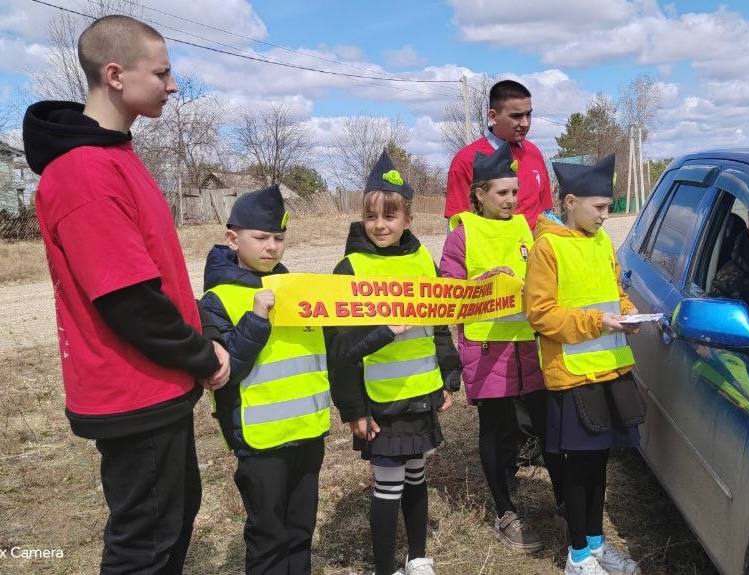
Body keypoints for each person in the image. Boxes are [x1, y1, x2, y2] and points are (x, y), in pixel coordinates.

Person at [21, 15, 229, 574]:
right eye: (161, 73)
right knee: (145, 547)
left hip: (158, 381)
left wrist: (201, 336)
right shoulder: (84, 173)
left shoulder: (117, 156)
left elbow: (158, 277)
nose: (173, 85)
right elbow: (129, 301)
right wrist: (203, 356)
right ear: (115, 74)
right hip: (133, 391)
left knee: (173, 522)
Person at [325, 151, 462, 575]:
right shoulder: (349, 269)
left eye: (390, 215)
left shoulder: (423, 261)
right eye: (371, 216)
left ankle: (417, 558)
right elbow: (340, 352)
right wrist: (354, 410)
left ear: (408, 219)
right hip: (379, 403)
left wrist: (447, 376)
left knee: (417, 477)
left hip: (420, 394)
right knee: (388, 487)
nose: (380, 225)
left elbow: (439, 324)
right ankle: (384, 568)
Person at [439, 142, 565, 552]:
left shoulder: (526, 229)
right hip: (487, 351)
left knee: (547, 425)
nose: (512, 199)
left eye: (515, 192)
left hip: (530, 347)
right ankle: (504, 510)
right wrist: (480, 285)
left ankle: (564, 500)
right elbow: (448, 295)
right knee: (496, 429)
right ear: (480, 194)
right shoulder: (461, 235)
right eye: (503, 192)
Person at [198, 184, 330, 574]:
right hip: (260, 443)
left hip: (308, 432)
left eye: (279, 238)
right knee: (268, 535)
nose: (271, 247)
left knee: (300, 530)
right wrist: (256, 319)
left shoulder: (297, 291)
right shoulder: (216, 300)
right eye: (260, 238)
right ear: (232, 239)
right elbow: (224, 372)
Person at [524, 156, 644, 575]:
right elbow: (540, 314)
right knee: (578, 467)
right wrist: (597, 322)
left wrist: (628, 313)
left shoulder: (601, 242)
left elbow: (613, 292)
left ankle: (595, 543)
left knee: (598, 463)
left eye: (608, 207)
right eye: (599, 207)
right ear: (571, 202)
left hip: (610, 369)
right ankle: (577, 555)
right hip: (573, 376)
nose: (605, 215)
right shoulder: (547, 248)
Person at [444, 80, 553, 229]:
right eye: (516, 116)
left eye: (528, 115)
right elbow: (458, 226)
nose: (525, 123)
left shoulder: (534, 153)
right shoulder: (465, 160)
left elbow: (546, 213)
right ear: (493, 116)